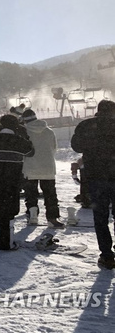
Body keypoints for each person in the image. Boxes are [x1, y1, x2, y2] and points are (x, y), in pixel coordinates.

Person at [71, 99, 115, 269]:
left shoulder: (86, 126)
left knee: (101, 217)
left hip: (96, 177)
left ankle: (107, 256)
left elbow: (76, 146)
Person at [0, 114, 34, 250]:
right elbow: (31, 152)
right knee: (11, 209)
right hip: (13, 180)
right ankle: (7, 240)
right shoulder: (20, 141)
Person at [21, 109, 62, 228]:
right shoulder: (49, 131)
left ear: (24, 120)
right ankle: (52, 218)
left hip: (30, 167)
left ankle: (32, 215)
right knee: (50, 195)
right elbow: (54, 148)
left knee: (31, 194)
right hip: (48, 167)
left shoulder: (24, 132)